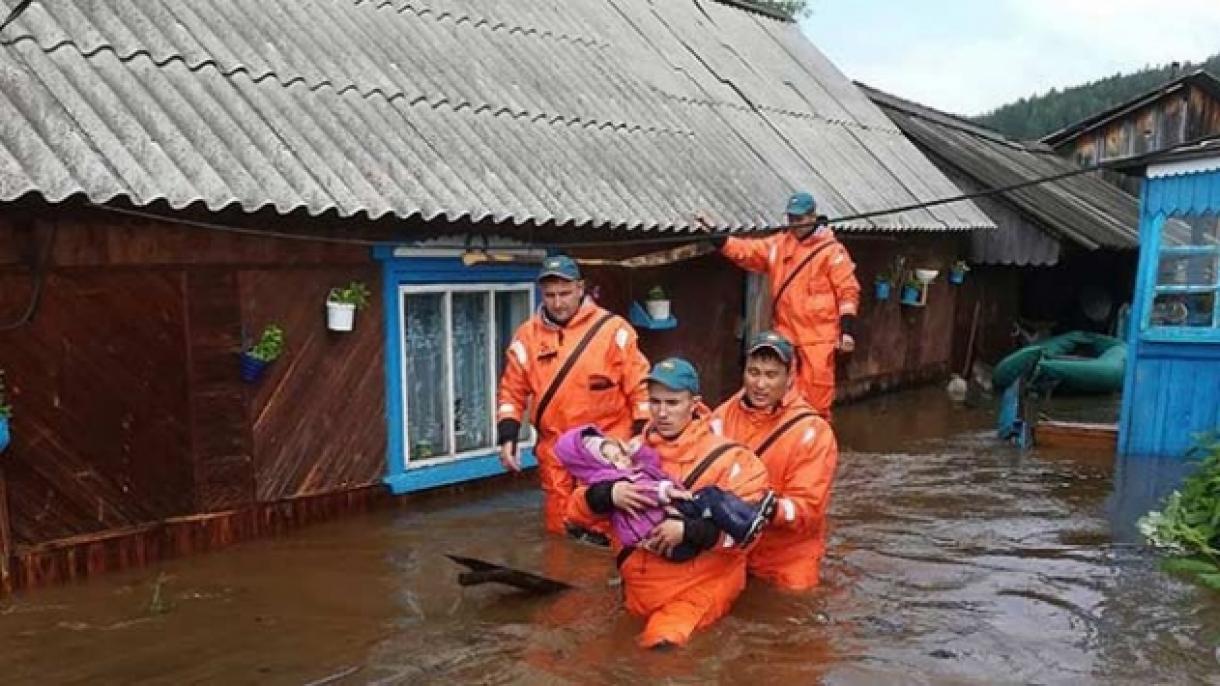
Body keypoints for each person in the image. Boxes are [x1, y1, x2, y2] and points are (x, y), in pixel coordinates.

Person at [566, 358, 771, 649]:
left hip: (697, 589)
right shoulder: (629, 452)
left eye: (672, 403)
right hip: (636, 589)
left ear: (695, 404)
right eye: (655, 402)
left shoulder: (732, 460)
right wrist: (609, 495)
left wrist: (688, 531)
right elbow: (574, 515)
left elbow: (749, 538)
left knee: (661, 652)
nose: (662, 413)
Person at [496, 255, 651, 542]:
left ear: (581, 289)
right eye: (550, 294)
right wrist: (508, 435)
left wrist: (641, 433)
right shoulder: (526, 336)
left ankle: (608, 583)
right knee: (560, 529)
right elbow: (511, 390)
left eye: (565, 293)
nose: (558, 302)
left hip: (606, 448)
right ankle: (564, 578)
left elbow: (640, 386)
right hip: (555, 449)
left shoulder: (614, 331)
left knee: (610, 527)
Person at [713, 192, 861, 418]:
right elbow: (747, 251)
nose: (795, 224)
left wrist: (847, 331)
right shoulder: (779, 245)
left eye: (800, 219)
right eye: (791, 219)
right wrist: (720, 240)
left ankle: (814, 443)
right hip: (785, 336)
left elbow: (848, 292)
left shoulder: (832, 253)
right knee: (777, 395)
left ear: (812, 216)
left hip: (818, 341)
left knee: (816, 401)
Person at [712, 331, 839, 591]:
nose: (760, 384)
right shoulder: (721, 416)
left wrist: (770, 509)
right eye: (754, 372)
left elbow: (809, 509)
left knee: (791, 613)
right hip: (731, 545)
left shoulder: (812, 432)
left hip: (787, 555)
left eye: (771, 375)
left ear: (790, 378)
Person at [555, 424, 776, 561]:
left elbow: (651, 463)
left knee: (708, 503)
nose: (621, 459)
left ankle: (747, 520)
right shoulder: (611, 481)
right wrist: (668, 492)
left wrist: (636, 452)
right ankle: (746, 523)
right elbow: (645, 491)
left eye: (617, 452)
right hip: (664, 538)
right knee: (709, 497)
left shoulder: (627, 468)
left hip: (665, 537)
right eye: (613, 458)